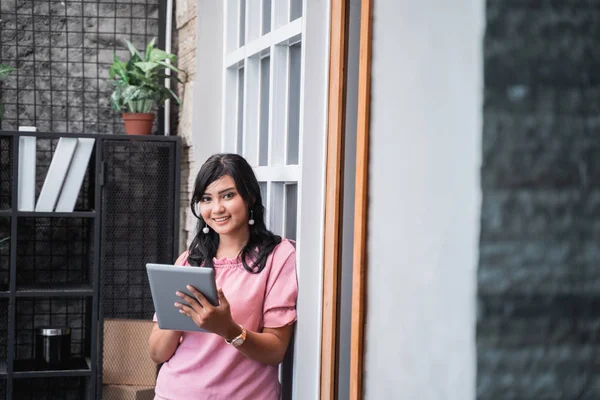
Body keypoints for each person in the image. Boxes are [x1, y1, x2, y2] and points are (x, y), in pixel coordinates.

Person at [148, 153, 298, 400]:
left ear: (249, 197)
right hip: (173, 393)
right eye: (207, 199)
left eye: (228, 195)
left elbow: (276, 351)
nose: (217, 208)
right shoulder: (188, 261)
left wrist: (228, 330)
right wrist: (179, 316)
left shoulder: (278, 256)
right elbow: (157, 353)